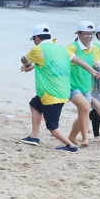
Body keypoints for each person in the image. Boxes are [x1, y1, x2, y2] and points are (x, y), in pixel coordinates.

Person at [19, 25, 77, 153]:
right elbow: (48, 63)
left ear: (36, 38)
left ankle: (71, 146)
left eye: (34, 39)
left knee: (52, 127)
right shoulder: (61, 48)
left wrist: (28, 64)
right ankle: (34, 137)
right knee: (34, 105)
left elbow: (23, 59)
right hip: (59, 92)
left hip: (51, 95)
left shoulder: (38, 48)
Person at [66, 21, 100, 147]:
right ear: (79, 34)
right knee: (85, 108)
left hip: (86, 85)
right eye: (86, 34)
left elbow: (93, 62)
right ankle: (85, 139)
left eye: (91, 33)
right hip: (72, 85)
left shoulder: (93, 47)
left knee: (84, 112)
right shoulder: (71, 48)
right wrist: (93, 71)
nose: (89, 36)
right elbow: (79, 61)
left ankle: (72, 136)